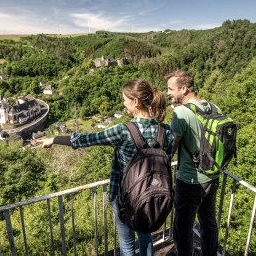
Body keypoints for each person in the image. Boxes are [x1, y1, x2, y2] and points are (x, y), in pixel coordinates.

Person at [42, 78, 174, 256]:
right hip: (152, 196)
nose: (124, 104)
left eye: (125, 100)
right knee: (145, 236)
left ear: (135, 101)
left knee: (127, 243)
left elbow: (85, 140)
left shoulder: (123, 130)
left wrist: (55, 139)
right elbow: (165, 160)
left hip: (123, 197)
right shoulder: (166, 131)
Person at [165, 70, 220, 256]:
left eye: (171, 89)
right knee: (209, 222)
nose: (168, 93)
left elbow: (170, 148)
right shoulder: (213, 107)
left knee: (183, 226)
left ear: (184, 89)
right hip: (212, 175)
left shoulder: (181, 112)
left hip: (190, 179)